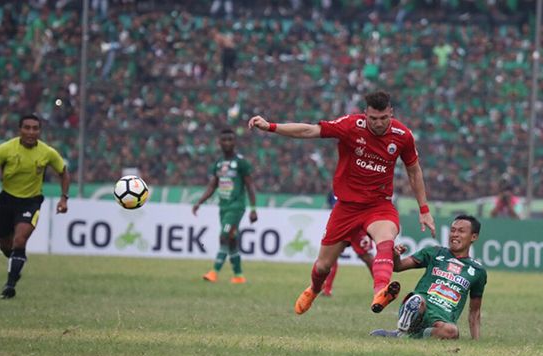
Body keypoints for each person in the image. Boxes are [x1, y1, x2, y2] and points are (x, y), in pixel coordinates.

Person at [248, 90, 436, 314]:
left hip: (379, 205)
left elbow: (414, 171)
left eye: (384, 118)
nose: (378, 124)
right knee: (323, 266)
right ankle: (314, 289)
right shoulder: (350, 125)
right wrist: (270, 126)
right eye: (373, 119)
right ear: (365, 114)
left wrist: (424, 209)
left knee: (385, 240)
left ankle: (380, 290)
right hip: (346, 207)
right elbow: (310, 130)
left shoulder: (402, 135)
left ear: (391, 113)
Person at [370, 215, 486, 340]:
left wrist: (476, 341)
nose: (455, 234)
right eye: (452, 230)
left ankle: (404, 335)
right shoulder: (434, 252)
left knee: (452, 332)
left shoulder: (478, 271)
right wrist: (396, 256)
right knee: (417, 301)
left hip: (443, 318)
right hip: (421, 307)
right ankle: (407, 320)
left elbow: (474, 311)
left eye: (461, 231)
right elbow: (398, 267)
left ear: (473, 237)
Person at [0, 114, 70, 299]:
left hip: (31, 201)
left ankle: (10, 285)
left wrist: (64, 198)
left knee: (20, 240)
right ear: (20, 129)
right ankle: (17, 261)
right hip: (6, 200)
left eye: (35, 128)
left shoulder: (47, 152)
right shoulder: (6, 149)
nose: (31, 132)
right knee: (6, 246)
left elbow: (63, 172)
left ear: (40, 131)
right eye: (27, 128)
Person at [192, 129, 258, 284]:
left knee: (224, 237)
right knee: (232, 240)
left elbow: (250, 186)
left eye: (230, 139)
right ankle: (239, 276)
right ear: (219, 142)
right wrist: (199, 202)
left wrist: (253, 209)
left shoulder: (241, 162)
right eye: (224, 140)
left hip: (236, 206)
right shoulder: (219, 163)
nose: (227, 142)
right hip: (223, 207)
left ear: (235, 142)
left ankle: (214, 272)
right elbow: (212, 186)